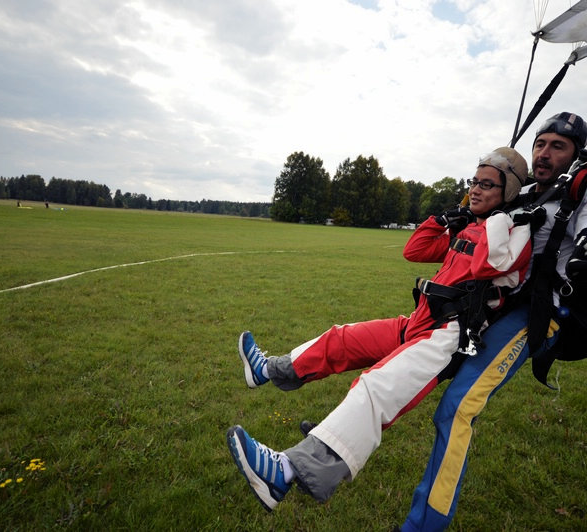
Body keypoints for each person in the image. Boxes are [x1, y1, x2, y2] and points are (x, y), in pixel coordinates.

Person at [226, 147, 538, 512]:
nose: (475, 190)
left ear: (511, 191)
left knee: (375, 390)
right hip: (418, 321)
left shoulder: (516, 231)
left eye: (487, 184)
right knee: (342, 338)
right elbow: (415, 249)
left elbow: (488, 264)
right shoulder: (469, 226)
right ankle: (267, 370)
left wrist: (497, 217)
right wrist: (444, 218)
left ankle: (286, 472)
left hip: (447, 335)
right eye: (474, 181)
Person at [400, 112, 587, 531]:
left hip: (534, 315)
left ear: (576, 154)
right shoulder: (529, 193)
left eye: (558, 146)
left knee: (457, 408)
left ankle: (423, 525)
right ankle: (337, 438)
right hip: (489, 306)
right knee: (403, 343)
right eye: (540, 143)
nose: (544, 153)